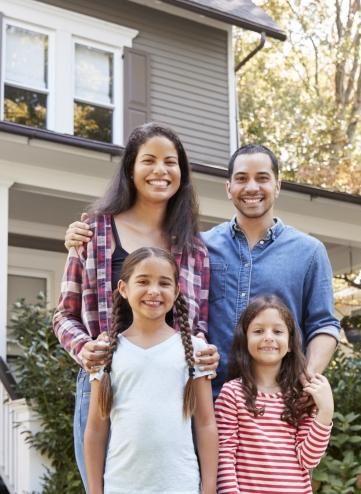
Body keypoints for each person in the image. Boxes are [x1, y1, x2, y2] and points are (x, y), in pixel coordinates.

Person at [64, 144, 342, 391]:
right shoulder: (197, 247)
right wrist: (82, 237)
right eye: (242, 179)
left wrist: (306, 379)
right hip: (207, 395)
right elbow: (150, 273)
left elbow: (324, 325)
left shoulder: (309, 252)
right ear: (228, 188)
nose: (252, 188)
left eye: (263, 179)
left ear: (278, 186)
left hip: (276, 400)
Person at [52, 122, 220, 486]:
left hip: (174, 390)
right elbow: (64, 315)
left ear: (182, 173)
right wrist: (87, 350)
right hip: (107, 382)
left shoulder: (194, 249)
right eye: (149, 161)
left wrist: (205, 352)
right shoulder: (93, 232)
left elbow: (197, 323)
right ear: (130, 168)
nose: (160, 171)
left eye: (170, 162)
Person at [85, 247, 218, 494]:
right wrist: (95, 490)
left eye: (164, 283)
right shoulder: (106, 351)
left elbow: (206, 422)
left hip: (181, 486)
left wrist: (209, 487)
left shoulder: (196, 350)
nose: (154, 291)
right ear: (123, 289)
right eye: (143, 281)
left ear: (177, 291)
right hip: (121, 486)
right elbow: (95, 427)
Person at [216, 296, 333, 494]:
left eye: (278, 331)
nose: (268, 337)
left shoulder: (300, 397)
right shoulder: (232, 394)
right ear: (245, 341)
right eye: (259, 331)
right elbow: (225, 458)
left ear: (289, 343)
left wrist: (326, 412)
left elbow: (309, 460)